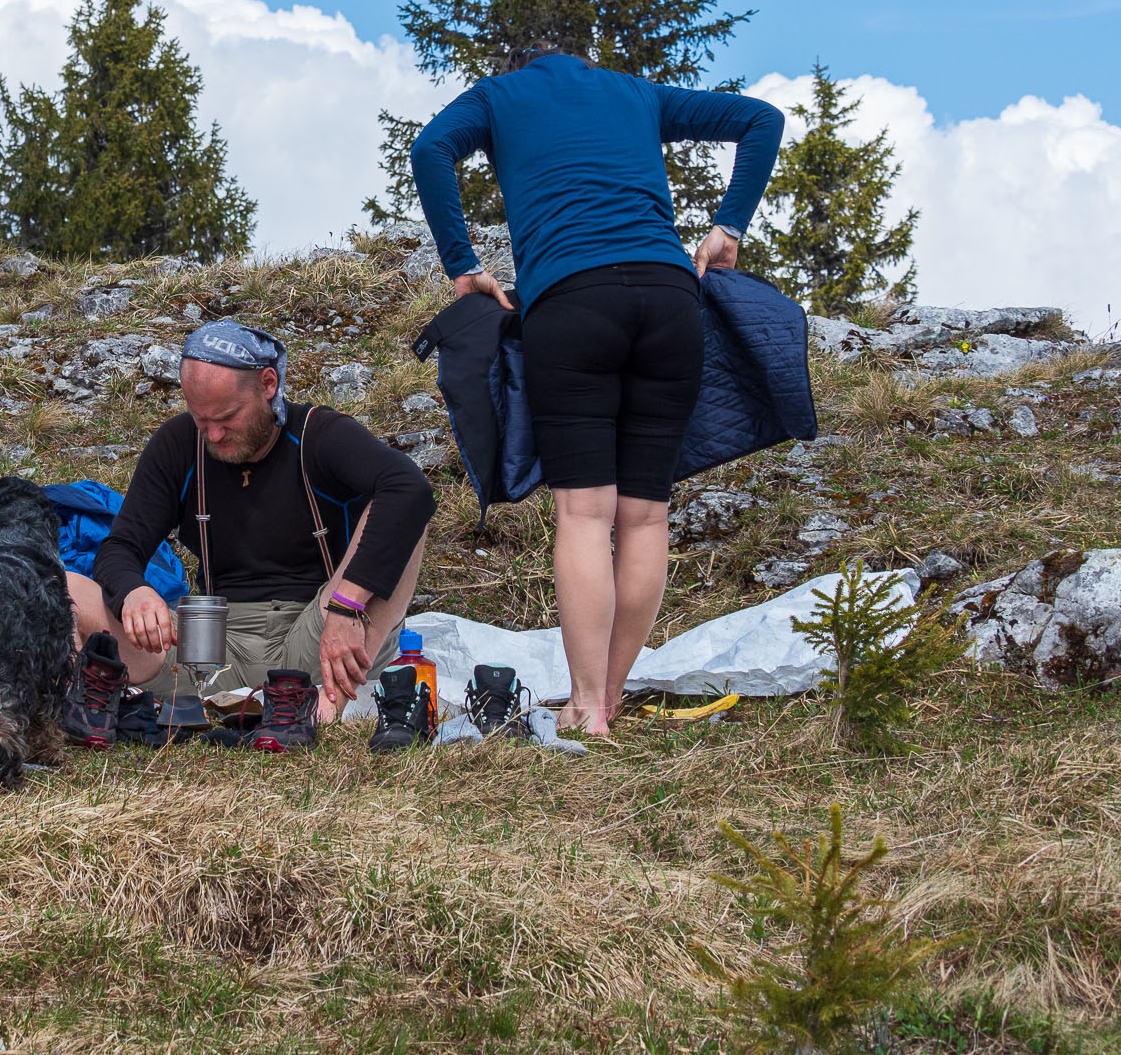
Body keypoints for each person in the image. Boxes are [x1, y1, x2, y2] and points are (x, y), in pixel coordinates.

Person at [410, 45, 783, 734]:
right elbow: (761, 119)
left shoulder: (497, 97)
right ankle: (608, 698)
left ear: (523, 68)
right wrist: (728, 227)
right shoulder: (636, 92)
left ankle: (585, 709)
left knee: (586, 514)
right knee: (645, 516)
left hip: (575, 301)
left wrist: (464, 268)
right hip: (672, 301)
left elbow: (430, 149)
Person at [66, 319, 437, 747]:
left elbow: (410, 489)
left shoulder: (319, 434)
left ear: (267, 385)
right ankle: (73, 707)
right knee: (62, 587)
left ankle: (326, 702)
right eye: (201, 420)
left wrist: (346, 608)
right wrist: (134, 593)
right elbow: (119, 548)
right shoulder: (179, 443)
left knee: (405, 519)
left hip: (317, 634)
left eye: (225, 418)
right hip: (209, 647)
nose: (214, 434)